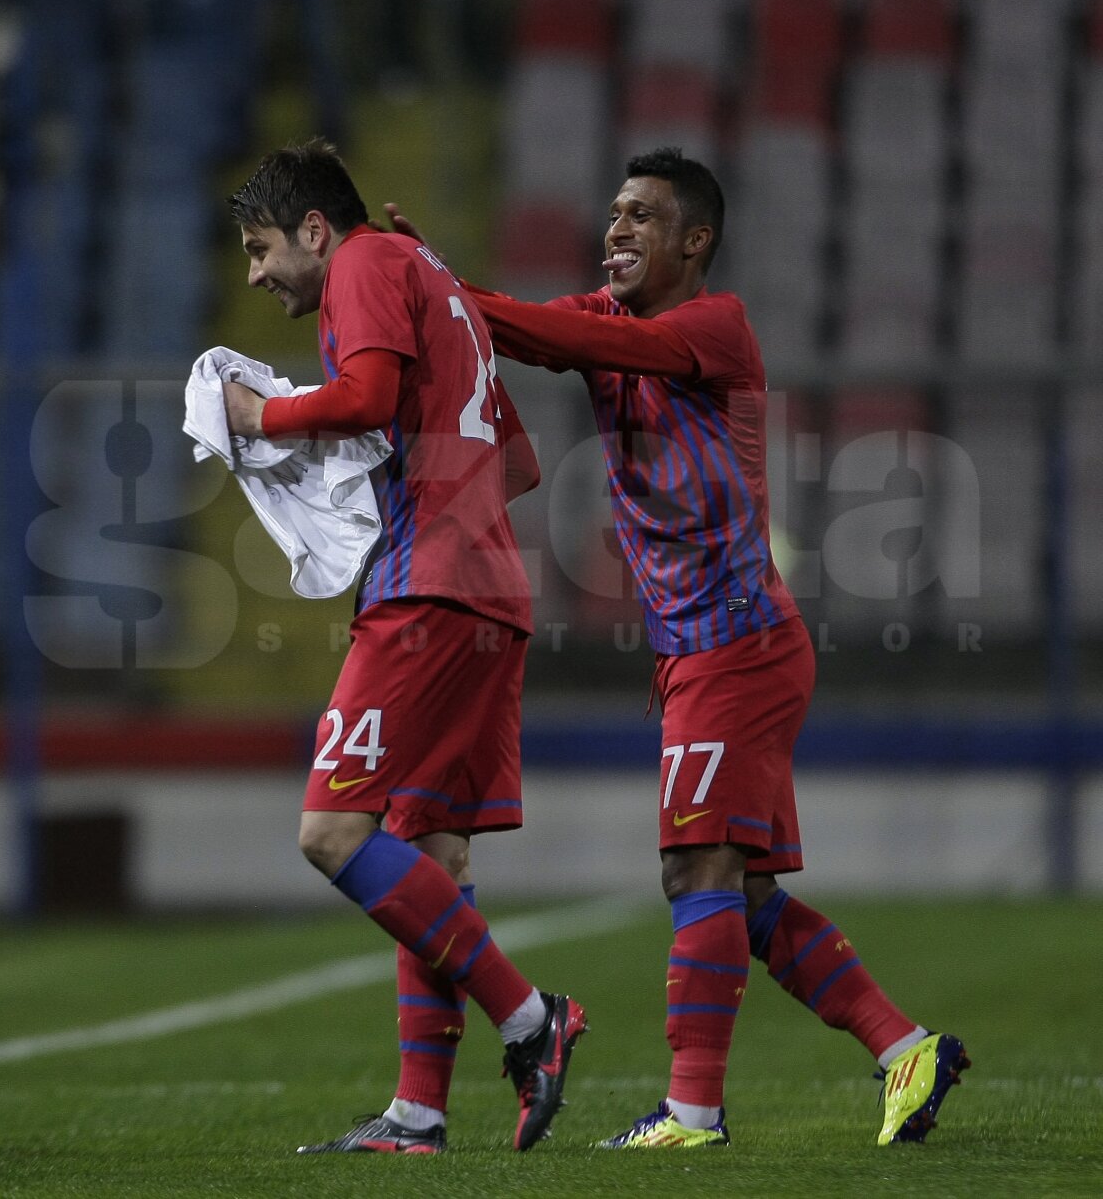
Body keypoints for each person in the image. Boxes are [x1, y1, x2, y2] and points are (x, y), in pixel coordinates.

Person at [385, 146, 969, 1149]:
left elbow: (541, 328)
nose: (617, 230)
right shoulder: (606, 323)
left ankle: (693, 1109)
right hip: (708, 649)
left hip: (735, 643)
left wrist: (427, 279)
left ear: (694, 241)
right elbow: (518, 331)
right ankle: (905, 1046)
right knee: (741, 894)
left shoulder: (716, 327)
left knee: (693, 870)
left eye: (642, 216)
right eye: (613, 214)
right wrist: (432, 284)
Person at [221, 138, 587, 1155]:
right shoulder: (430, 275)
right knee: (432, 849)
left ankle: (532, 1018)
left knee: (332, 832)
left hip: (429, 586)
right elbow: (512, 454)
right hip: (487, 586)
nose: (254, 274)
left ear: (312, 229)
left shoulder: (367, 264)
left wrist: (266, 415)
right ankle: (419, 1114)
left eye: (260, 248)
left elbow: (371, 399)